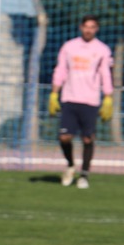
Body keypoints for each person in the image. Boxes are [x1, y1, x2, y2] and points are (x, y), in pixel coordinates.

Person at [49, 15, 114, 189]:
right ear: (80, 27)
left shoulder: (102, 50)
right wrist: (54, 93)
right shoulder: (69, 47)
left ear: (97, 29)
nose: (88, 30)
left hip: (90, 100)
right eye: (86, 26)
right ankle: (70, 165)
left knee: (87, 138)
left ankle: (84, 174)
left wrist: (108, 96)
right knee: (64, 137)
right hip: (69, 98)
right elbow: (61, 69)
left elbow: (105, 74)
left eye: (92, 27)